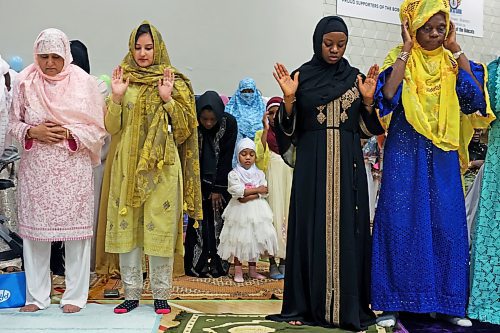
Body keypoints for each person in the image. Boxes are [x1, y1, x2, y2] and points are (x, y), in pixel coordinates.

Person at [371, 0, 495, 327]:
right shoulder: (399, 59)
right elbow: (388, 96)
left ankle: (449, 305)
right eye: (427, 28)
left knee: (447, 225)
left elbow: (475, 98)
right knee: (401, 223)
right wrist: (406, 51)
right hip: (405, 153)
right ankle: (392, 304)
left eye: (441, 28)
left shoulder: (451, 62)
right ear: (412, 27)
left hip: (442, 156)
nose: (435, 34)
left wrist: (456, 49)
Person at [267, 16, 384, 331]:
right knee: (311, 228)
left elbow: (366, 128)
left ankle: (346, 306)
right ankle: (309, 304)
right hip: (312, 166)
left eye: (340, 44)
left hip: (349, 167)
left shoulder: (355, 78)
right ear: (317, 42)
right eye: (328, 44)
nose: (334, 50)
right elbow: (287, 133)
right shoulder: (301, 77)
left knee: (349, 230)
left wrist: (369, 101)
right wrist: (289, 99)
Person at [104, 22, 202, 314]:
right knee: (129, 227)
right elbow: (112, 127)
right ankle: (131, 293)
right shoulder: (124, 79)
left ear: (158, 48)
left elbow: (185, 130)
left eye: (148, 48)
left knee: (158, 226)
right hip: (128, 166)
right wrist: (118, 97)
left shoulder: (174, 80)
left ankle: (160, 294)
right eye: (137, 48)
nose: (142, 54)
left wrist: (168, 99)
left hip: (162, 167)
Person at [9, 28, 106, 313]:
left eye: (55, 56)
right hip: (36, 170)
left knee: (75, 237)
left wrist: (66, 131)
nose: (49, 63)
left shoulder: (84, 84)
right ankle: (36, 297)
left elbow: (96, 129)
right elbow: (12, 125)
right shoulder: (25, 82)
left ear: (66, 55)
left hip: (72, 169)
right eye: (43, 56)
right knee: (35, 236)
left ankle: (75, 296)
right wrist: (33, 130)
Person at [184, 90, 237, 277]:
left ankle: (218, 264)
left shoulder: (228, 123)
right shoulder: (192, 124)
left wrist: (217, 189)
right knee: (198, 224)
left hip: (219, 184)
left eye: (212, 120)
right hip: (196, 183)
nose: (208, 123)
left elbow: (226, 158)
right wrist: (195, 187)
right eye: (204, 119)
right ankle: (196, 265)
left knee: (218, 224)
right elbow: (189, 157)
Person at [467, 57, 500, 325]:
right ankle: (488, 300)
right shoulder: (494, 71)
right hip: (498, 163)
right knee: (492, 228)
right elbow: (479, 107)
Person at [217, 138, 278, 283]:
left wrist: (250, 193)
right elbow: (237, 193)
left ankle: (252, 270)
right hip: (239, 212)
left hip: (257, 211)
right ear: (238, 156)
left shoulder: (260, 173)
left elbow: (264, 191)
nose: (248, 157)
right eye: (243, 154)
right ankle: (238, 270)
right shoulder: (234, 174)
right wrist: (256, 191)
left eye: (251, 154)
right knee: (239, 239)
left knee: (254, 240)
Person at [254, 96, 292, 280]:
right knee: (272, 218)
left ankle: (284, 261)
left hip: (289, 179)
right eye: (271, 113)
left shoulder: (291, 133)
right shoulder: (261, 134)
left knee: (287, 216)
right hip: (271, 178)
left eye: (278, 112)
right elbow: (259, 160)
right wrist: (265, 131)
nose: (274, 116)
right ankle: (272, 263)